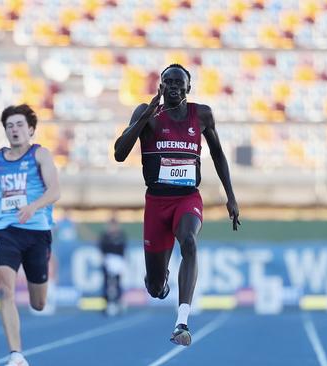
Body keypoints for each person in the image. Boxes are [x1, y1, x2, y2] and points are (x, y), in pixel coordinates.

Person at [114, 64, 240, 346]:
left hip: (187, 197)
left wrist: (230, 196)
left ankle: (182, 321)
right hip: (157, 202)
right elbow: (120, 154)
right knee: (155, 287)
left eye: (178, 83)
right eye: (167, 82)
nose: (172, 87)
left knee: (189, 242)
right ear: (160, 86)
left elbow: (218, 154)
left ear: (188, 88)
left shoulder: (203, 114)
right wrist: (147, 113)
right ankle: (161, 281)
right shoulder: (147, 113)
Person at [0, 104, 60, 366]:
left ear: (31, 129)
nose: (14, 130)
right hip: (6, 229)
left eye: (20, 125)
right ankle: (16, 354)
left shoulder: (40, 155)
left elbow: (55, 191)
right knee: (6, 289)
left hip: (36, 231)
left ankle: (18, 350)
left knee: (38, 303)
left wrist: (33, 206)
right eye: (9, 126)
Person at [98, 214, 127, 316]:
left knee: (118, 283)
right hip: (108, 260)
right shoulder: (105, 236)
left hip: (118, 261)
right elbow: (102, 249)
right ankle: (107, 304)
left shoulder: (121, 235)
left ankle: (118, 302)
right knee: (107, 283)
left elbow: (123, 249)